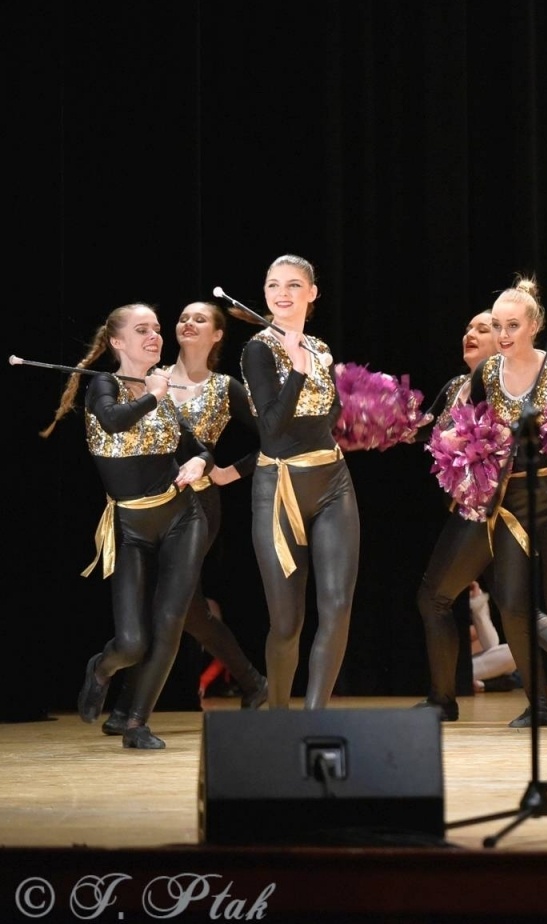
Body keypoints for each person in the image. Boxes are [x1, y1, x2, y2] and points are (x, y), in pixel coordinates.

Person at [416, 305, 547, 724]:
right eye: (499, 327)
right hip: (507, 498)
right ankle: (539, 705)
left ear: (533, 326)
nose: (504, 334)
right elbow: (455, 425)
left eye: (511, 326)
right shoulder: (486, 375)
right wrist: (454, 437)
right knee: (510, 603)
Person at [42, 303, 212, 748]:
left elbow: (201, 446)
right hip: (131, 527)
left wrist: (198, 461)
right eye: (142, 330)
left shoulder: (166, 388)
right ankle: (101, 668)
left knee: (170, 623)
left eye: (157, 329)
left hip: (182, 516)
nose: (155, 336)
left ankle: (133, 722)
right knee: (133, 643)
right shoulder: (105, 385)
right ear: (117, 342)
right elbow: (113, 423)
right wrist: (154, 394)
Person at [101, 301, 267, 733]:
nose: (187, 323)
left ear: (217, 336)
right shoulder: (150, 373)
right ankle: (252, 680)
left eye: (201, 319)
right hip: (144, 506)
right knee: (186, 612)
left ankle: (128, 712)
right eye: (183, 318)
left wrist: (230, 472)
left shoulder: (226, 386)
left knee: (167, 607)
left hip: (196, 506)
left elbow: (273, 438)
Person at [242, 255, 360, 709]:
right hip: (279, 489)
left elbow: (330, 410)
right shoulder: (258, 349)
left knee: (336, 605)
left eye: (294, 285)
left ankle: (314, 718)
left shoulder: (321, 348)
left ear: (312, 293)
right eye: (273, 285)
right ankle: (279, 718)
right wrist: (296, 368)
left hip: (332, 482)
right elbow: (271, 429)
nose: (282, 293)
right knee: (287, 622)